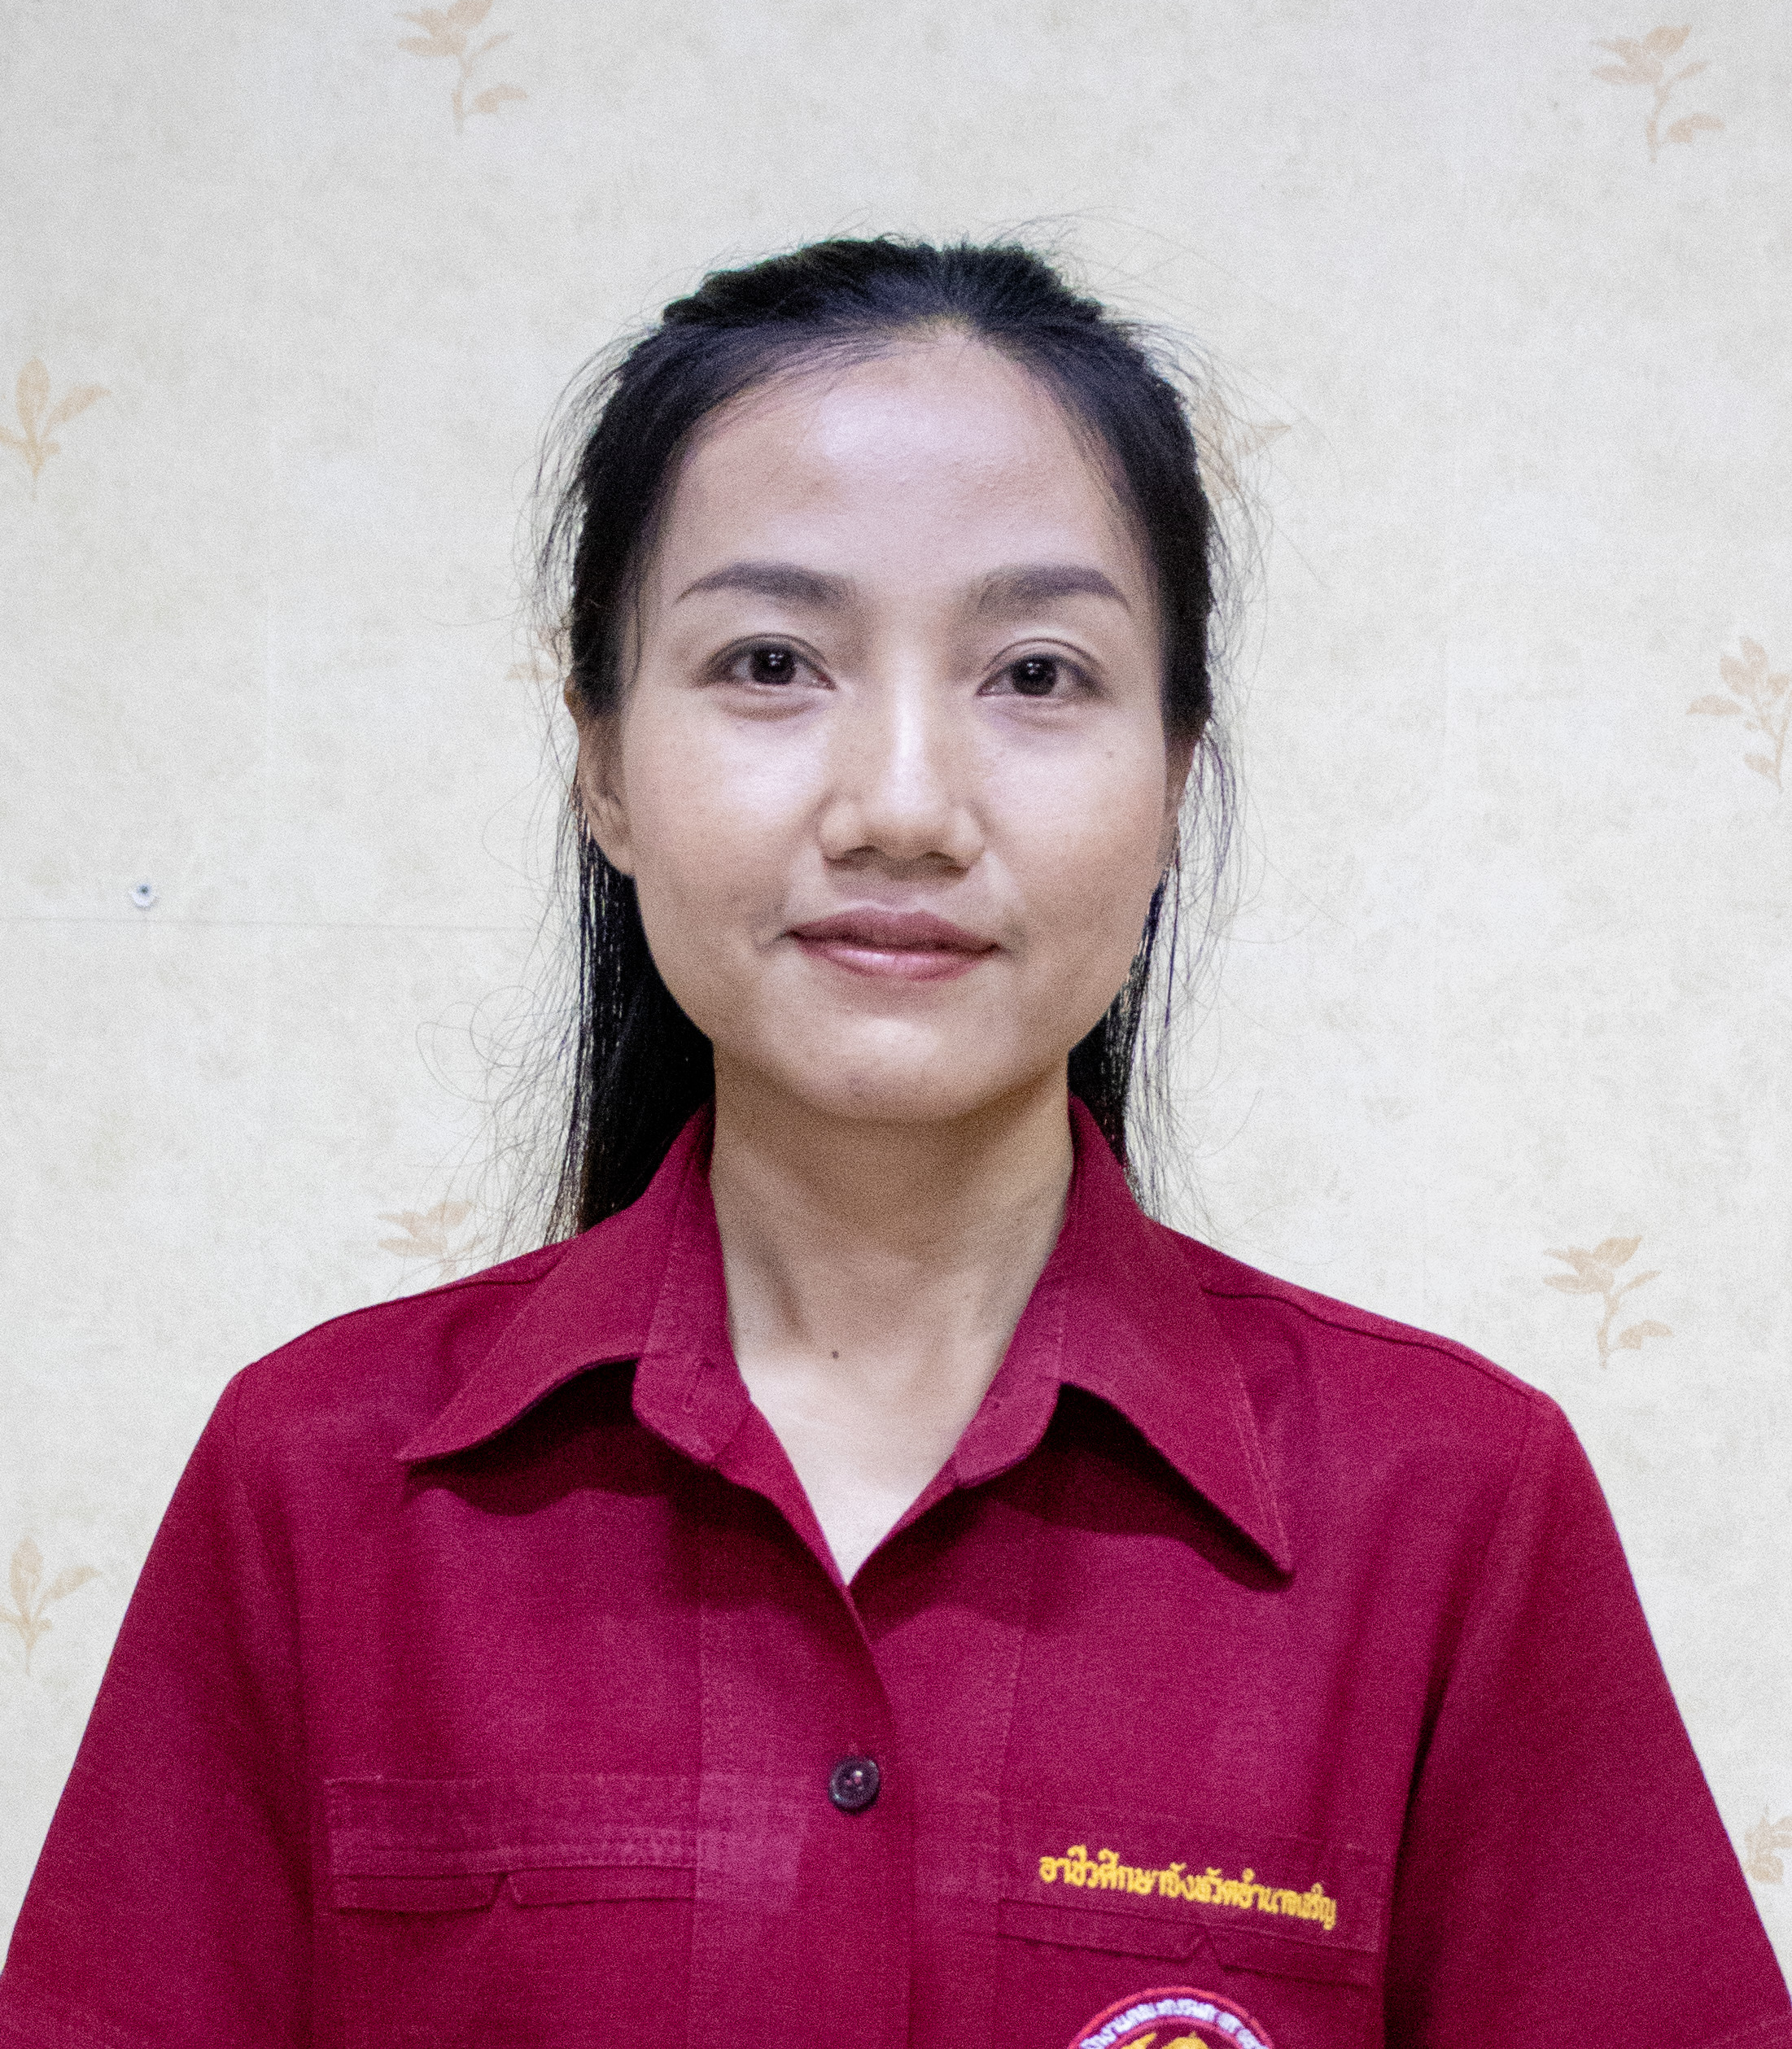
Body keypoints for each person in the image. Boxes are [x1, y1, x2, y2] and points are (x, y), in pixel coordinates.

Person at [0, 238, 1784, 2049]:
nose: (905, 805)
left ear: (1177, 775)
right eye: (771, 661)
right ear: (601, 761)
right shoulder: (318, 1487)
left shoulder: (1449, 1511)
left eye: (1038, 673)